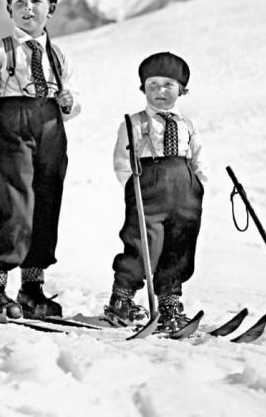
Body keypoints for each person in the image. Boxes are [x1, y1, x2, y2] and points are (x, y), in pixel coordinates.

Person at [0, 0, 81, 318]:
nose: (27, 8)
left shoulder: (58, 56)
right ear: (9, 10)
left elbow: (72, 104)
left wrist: (68, 103)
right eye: (19, 2)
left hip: (50, 132)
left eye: (36, 1)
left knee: (46, 206)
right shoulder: (0, 52)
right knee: (13, 207)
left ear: (52, 7)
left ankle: (32, 289)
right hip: (12, 131)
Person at [105, 52, 209, 331]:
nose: (160, 91)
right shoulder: (135, 122)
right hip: (148, 189)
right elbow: (122, 162)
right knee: (143, 245)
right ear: (143, 88)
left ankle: (169, 303)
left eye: (168, 85)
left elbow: (198, 156)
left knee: (180, 247)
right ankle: (122, 299)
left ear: (181, 90)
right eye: (153, 85)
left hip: (185, 193)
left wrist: (198, 182)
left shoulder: (187, 124)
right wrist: (133, 185)